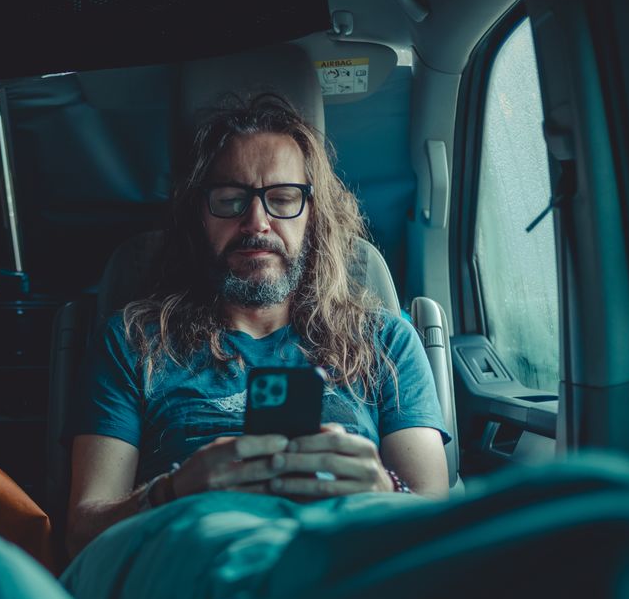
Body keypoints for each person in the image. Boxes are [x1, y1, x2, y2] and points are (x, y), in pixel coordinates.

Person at [67, 93, 451, 558]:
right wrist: (173, 491)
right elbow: (82, 532)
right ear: (198, 217)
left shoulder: (387, 341)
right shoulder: (134, 342)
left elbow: (439, 529)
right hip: (195, 569)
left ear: (315, 216)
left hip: (343, 570)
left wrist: (386, 493)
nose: (257, 222)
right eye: (229, 201)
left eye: (283, 198)